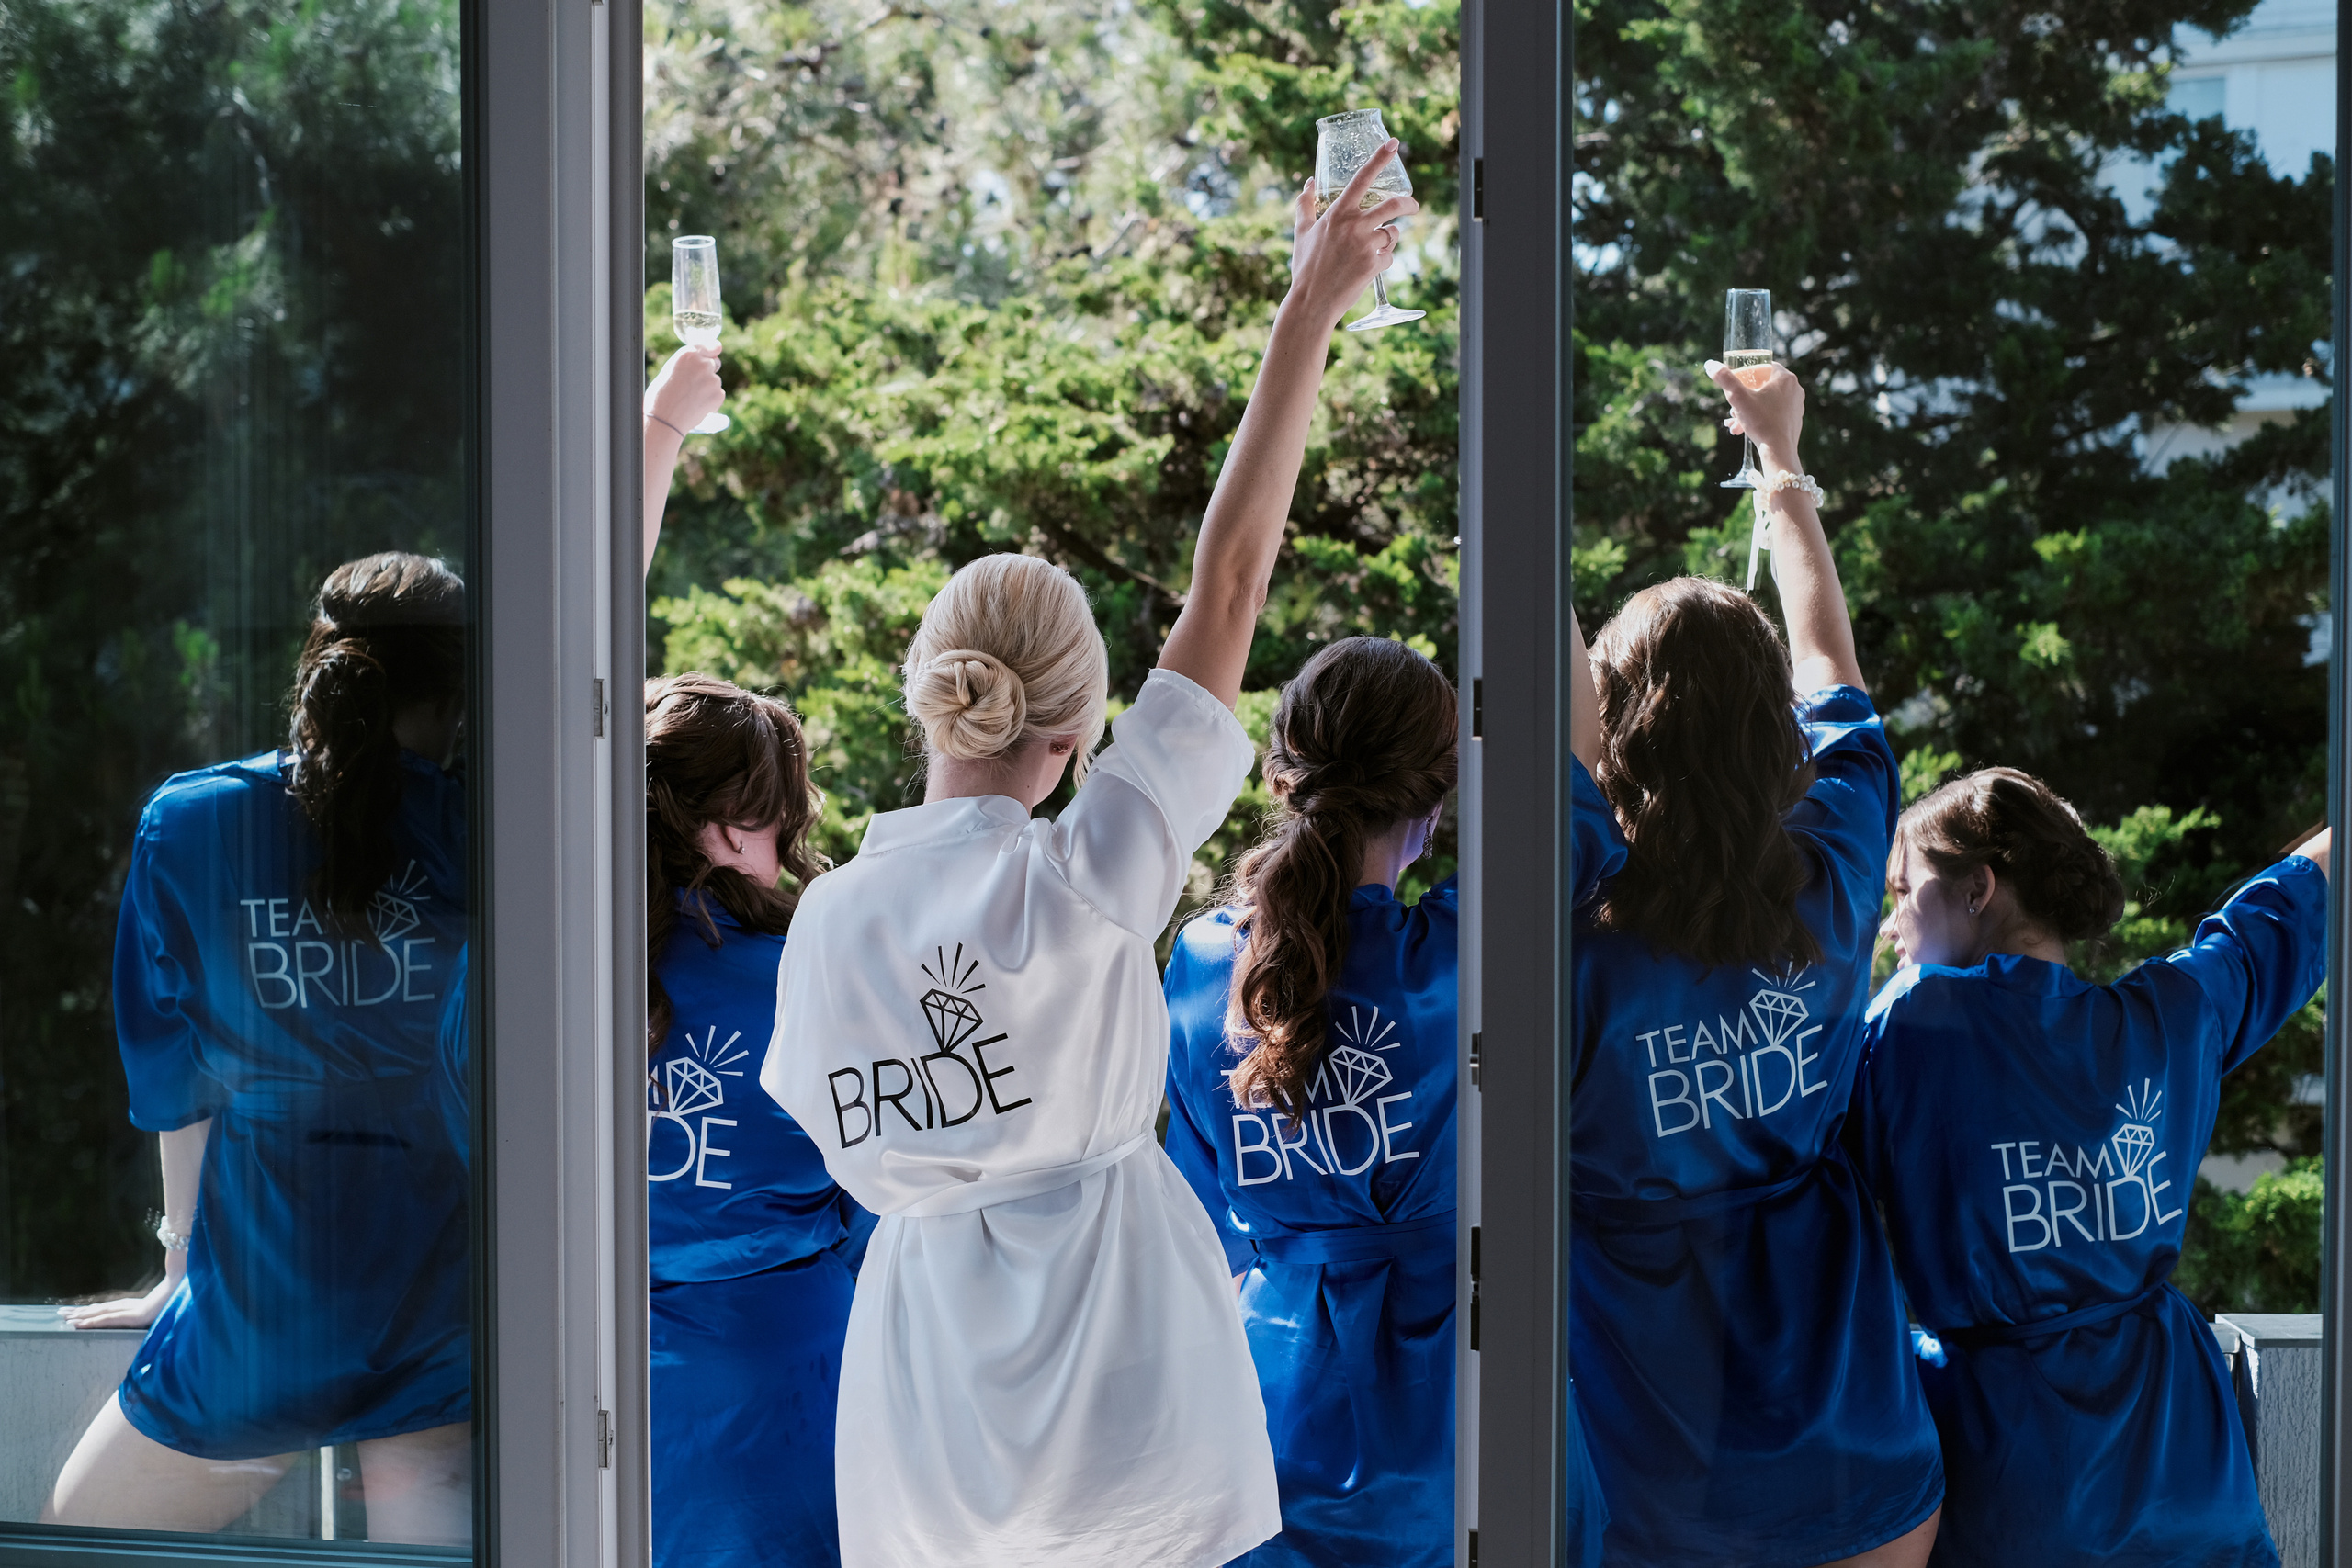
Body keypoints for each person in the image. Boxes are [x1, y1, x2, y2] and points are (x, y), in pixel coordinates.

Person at [758, 141, 1418, 1568]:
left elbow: (830, 1140)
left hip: (925, 1420)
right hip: (1128, 1407)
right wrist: (1307, 309)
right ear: (1078, 732)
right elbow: (1230, 578)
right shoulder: (1091, 870)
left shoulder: (826, 921)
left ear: (928, 689)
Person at [1567, 365, 1942, 1567]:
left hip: (1648, 1468)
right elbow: (1831, 662)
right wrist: (1779, 463)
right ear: (1769, 727)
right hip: (1861, 1450)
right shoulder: (1835, 866)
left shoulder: (1572, 942)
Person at [48, 553, 472, 1543]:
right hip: (442, 1292)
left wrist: (180, 1268)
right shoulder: (493, 832)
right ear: (459, 695)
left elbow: (169, 1071)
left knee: (74, 1537)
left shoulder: (192, 822)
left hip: (265, 1301)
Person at [1853, 772, 2327, 1568]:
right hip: (2188, 1476)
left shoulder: (1909, 1031)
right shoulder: (2172, 1018)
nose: (1890, 925)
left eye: (1905, 890)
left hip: (2011, 1486)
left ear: (1979, 888)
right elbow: (2284, 911)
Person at [1160, 636, 1460, 1567]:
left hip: (1270, 1400)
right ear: (1438, 794)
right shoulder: (1464, 956)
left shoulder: (1205, 965)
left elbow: (1198, 1208)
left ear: (1282, 776)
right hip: (1457, 1403)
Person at [643, 672, 875, 1568]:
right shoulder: (807, 977)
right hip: (786, 1379)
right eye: (786, 826)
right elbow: (884, 1186)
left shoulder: (536, 969)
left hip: (587, 1386)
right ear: (738, 826)